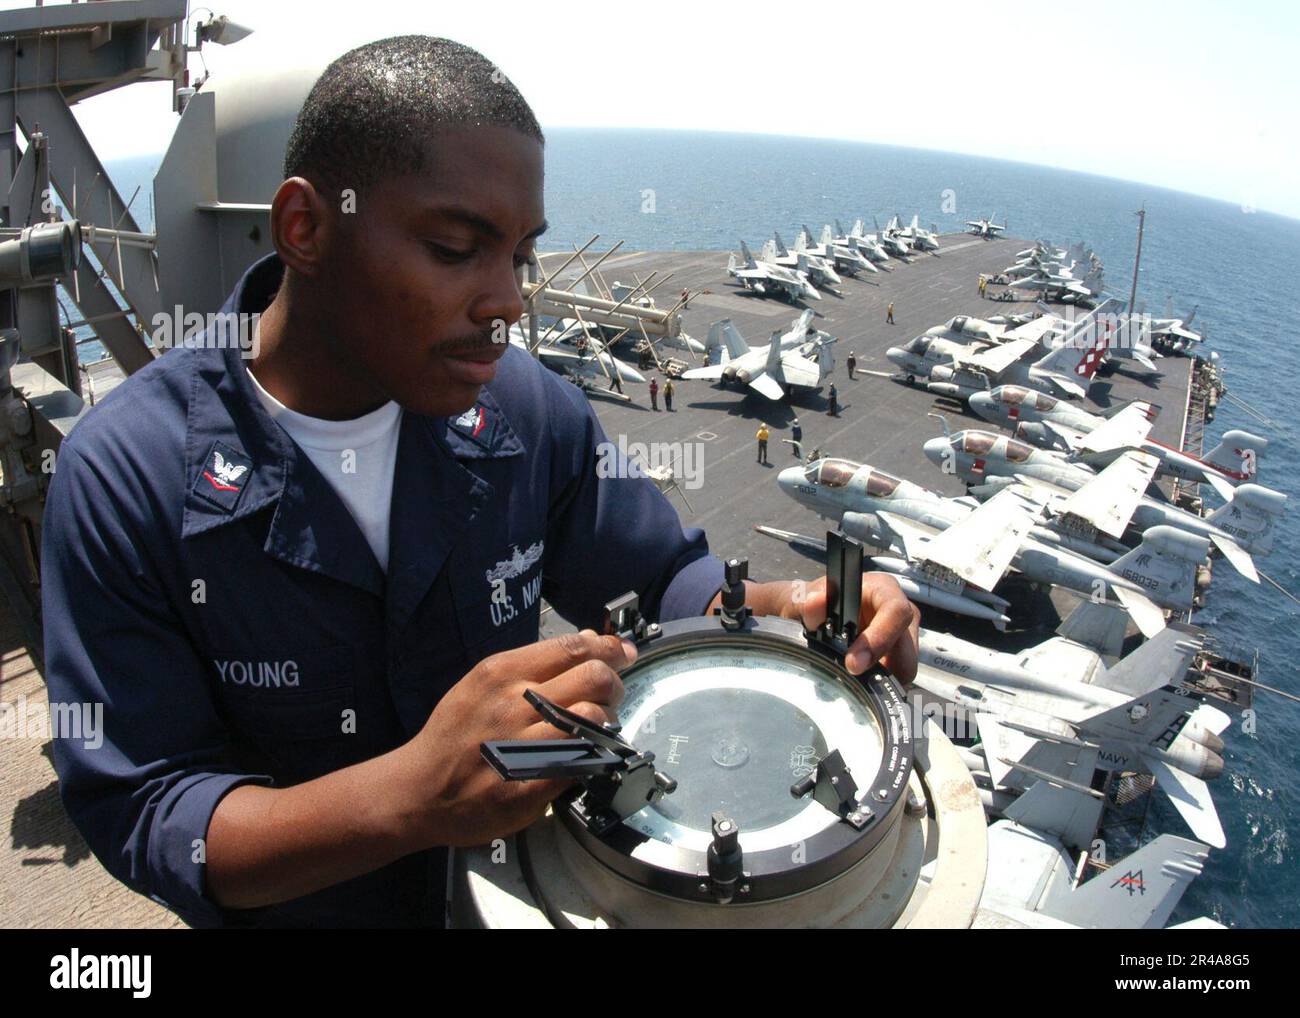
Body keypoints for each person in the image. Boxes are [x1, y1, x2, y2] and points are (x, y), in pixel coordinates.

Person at [40, 35, 920, 930]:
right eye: (455, 247)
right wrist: (409, 796)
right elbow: (150, 810)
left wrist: (789, 607)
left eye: (521, 256)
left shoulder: (530, 412)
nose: (507, 300)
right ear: (305, 227)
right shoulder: (127, 478)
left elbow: (659, 584)